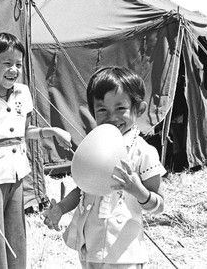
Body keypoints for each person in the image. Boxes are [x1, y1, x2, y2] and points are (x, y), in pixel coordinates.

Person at [0, 32, 72, 269]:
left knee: (15, 230)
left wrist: (54, 132)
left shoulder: (23, 93)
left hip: (17, 173)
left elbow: (25, 132)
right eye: (7, 63)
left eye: (18, 64)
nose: (14, 70)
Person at [43, 66, 166, 269]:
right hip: (90, 246)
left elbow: (159, 205)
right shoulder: (95, 145)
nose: (112, 116)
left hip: (124, 253)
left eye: (120, 108)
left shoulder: (143, 152)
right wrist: (61, 208)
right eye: (102, 110)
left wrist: (137, 190)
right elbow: (84, 189)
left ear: (139, 109)